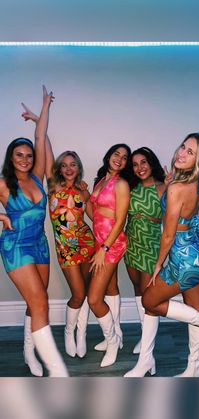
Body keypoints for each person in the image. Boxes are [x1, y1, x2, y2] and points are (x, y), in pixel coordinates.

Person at [124, 129, 199, 377]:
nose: (182, 153)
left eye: (191, 151)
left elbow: (167, 235)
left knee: (149, 301)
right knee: (194, 307)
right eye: (183, 146)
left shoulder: (176, 188)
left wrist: (157, 266)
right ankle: (195, 367)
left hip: (183, 261)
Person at [0, 86, 68, 377]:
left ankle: (29, 350)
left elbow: (41, 137)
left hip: (39, 245)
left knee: (36, 301)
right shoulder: (3, 183)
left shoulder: (38, 176)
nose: (26, 159)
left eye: (28, 155)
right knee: (40, 302)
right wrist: (1, 216)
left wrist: (43, 107)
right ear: (11, 157)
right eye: (20, 155)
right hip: (16, 247)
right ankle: (57, 371)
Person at [21, 106, 95, 360]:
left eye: (73, 164)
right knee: (78, 293)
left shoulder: (84, 190)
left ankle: (82, 334)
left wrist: (88, 196)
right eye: (64, 165)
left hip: (87, 243)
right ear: (59, 169)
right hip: (66, 249)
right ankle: (68, 331)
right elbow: (46, 148)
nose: (69, 168)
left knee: (86, 290)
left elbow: (94, 218)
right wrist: (37, 121)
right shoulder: (52, 187)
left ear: (78, 167)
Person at [87, 143, 131, 367]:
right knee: (111, 287)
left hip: (111, 244)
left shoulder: (121, 184)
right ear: (109, 155)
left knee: (94, 298)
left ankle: (112, 341)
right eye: (117, 154)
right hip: (99, 240)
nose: (120, 159)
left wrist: (104, 249)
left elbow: (120, 220)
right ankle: (118, 334)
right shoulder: (100, 180)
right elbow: (94, 212)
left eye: (124, 157)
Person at [124, 147, 166, 354]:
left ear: (151, 163)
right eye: (135, 164)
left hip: (151, 246)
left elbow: (173, 219)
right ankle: (144, 332)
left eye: (143, 162)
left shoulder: (163, 187)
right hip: (130, 244)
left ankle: (148, 345)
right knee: (138, 290)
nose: (140, 168)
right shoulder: (130, 188)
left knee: (149, 295)